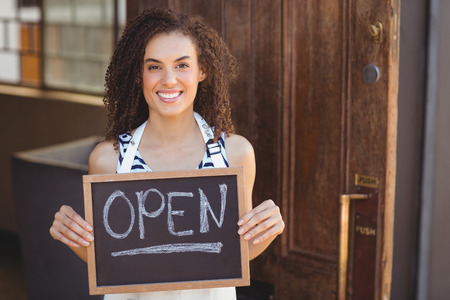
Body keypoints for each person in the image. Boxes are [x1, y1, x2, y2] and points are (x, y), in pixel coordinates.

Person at [49, 7, 284, 300]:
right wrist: (72, 236)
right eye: (154, 66)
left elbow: (237, 252)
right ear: (139, 75)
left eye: (182, 65)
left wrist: (269, 229)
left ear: (203, 70)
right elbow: (109, 259)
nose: (169, 79)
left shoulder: (235, 153)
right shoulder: (108, 159)